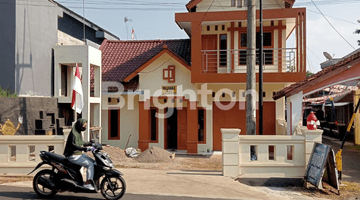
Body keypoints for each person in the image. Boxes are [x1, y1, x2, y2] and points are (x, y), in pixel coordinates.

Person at [63, 118, 95, 190]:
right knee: (90, 164)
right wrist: (85, 149)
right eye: (84, 125)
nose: (84, 127)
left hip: (78, 154)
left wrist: (91, 143)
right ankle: (87, 183)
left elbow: (81, 143)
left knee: (93, 162)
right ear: (79, 124)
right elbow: (75, 145)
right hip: (73, 155)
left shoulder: (78, 132)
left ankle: (91, 180)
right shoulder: (74, 134)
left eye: (85, 125)